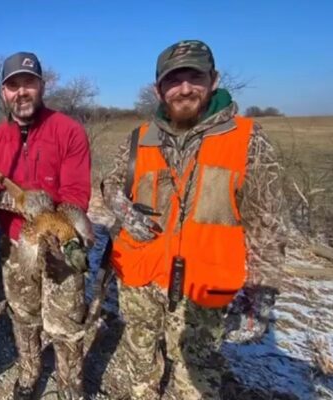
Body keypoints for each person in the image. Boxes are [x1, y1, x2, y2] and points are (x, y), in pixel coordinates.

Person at [100, 40, 287, 399]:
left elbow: (268, 222)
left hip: (205, 286)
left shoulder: (248, 140)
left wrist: (261, 293)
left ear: (213, 80)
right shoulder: (139, 138)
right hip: (142, 275)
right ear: (159, 89)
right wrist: (124, 211)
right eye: (173, 80)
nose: (184, 88)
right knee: (140, 362)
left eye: (194, 77)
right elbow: (110, 185)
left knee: (195, 378)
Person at [0, 51, 91, 399]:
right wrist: (3, 198)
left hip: (58, 245)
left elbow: (77, 193)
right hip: (16, 246)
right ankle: (29, 373)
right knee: (24, 317)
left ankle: (69, 385)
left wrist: (53, 219)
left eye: (29, 84)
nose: (22, 92)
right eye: (14, 86)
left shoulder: (68, 131)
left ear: (41, 87)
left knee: (66, 325)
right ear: (3, 92)